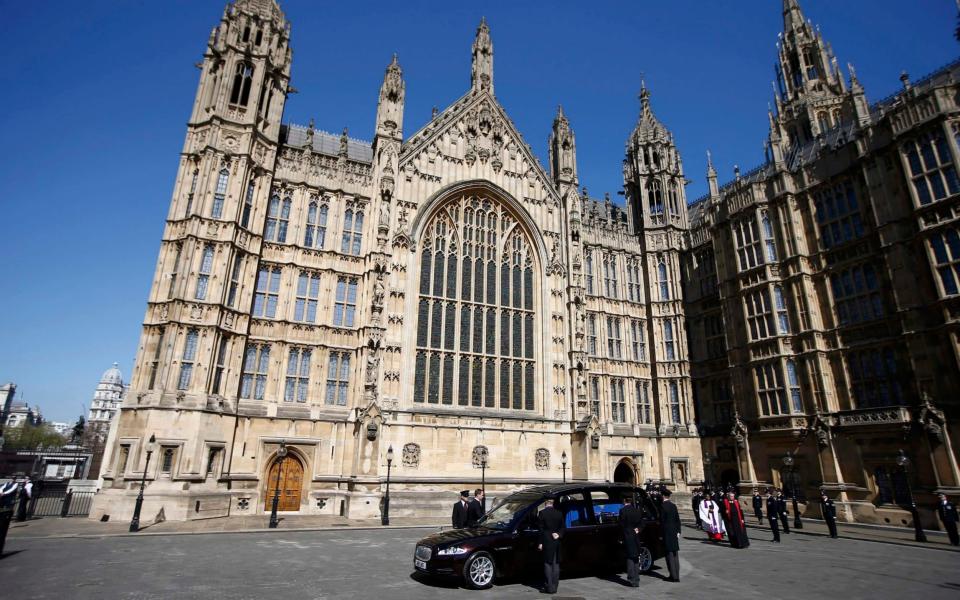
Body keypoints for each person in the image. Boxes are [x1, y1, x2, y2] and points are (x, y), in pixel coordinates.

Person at [537, 498, 564, 594]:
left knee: (547, 564)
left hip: (547, 541)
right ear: (552, 503)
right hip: (556, 542)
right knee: (556, 564)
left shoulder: (542, 513)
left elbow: (541, 530)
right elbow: (562, 527)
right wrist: (559, 534)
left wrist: (540, 543)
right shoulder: (559, 513)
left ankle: (549, 587)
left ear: (545, 503)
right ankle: (555, 587)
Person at [618, 495, 644, 587]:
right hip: (635, 536)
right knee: (636, 558)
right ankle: (636, 579)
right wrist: (638, 529)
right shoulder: (636, 510)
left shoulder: (622, 511)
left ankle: (631, 578)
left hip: (627, 536)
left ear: (624, 501)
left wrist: (620, 538)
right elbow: (642, 523)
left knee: (630, 558)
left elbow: (621, 526)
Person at [660, 489, 682, 582]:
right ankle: (677, 574)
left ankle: (673, 576)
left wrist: (660, 534)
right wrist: (678, 531)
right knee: (675, 554)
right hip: (674, 532)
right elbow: (678, 520)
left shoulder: (662, 506)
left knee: (669, 554)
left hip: (666, 532)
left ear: (663, 496)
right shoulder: (673, 506)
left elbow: (662, 521)